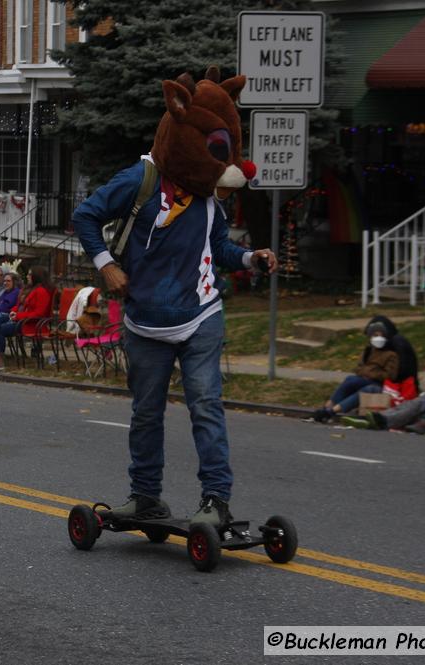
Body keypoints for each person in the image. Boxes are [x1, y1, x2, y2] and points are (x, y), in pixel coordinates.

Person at [72, 68, 277, 527]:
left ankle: (216, 501)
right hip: (145, 320)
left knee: (205, 405)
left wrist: (250, 259)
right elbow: (85, 216)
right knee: (147, 412)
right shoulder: (140, 181)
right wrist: (106, 264)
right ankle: (145, 496)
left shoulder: (207, 193)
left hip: (201, 313)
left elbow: (219, 246)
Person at [312, 317, 405, 423]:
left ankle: (331, 411)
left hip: (380, 385)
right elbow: (358, 368)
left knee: (367, 389)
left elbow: (390, 375)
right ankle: (327, 407)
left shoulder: (391, 355)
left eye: (382, 336)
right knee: (351, 380)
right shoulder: (368, 351)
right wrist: (366, 372)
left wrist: (370, 373)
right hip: (365, 379)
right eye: (375, 335)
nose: (379, 338)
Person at [0, 266, 52, 372]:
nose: (27, 277)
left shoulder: (42, 291)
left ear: (36, 277)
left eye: (29, 275)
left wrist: (18, 315)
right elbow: (19, 305)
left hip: (31, 324)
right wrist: (13, 311)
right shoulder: (28, 289)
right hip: (19, 319)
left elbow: (39, 313)